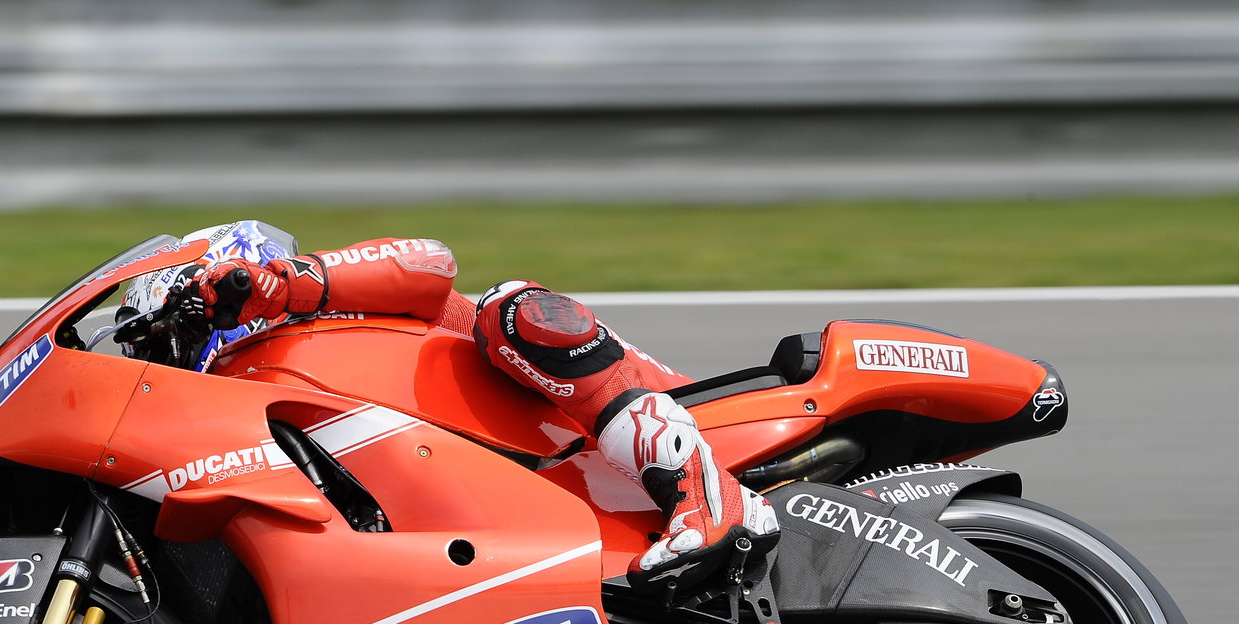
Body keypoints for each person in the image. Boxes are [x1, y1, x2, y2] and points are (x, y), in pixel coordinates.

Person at [125, 220, 778, 586]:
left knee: (516, 309)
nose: (183, 355)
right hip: (555, 506)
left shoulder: (345, 311)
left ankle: (710, 496)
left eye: (184, 326)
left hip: (688, 424)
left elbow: (431, 261)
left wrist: (279, 288)